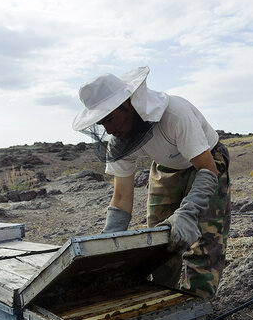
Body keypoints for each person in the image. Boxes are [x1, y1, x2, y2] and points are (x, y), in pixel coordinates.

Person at [72, 66, 230, 298]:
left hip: (207, 162)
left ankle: (196, 310)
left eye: (111, 118)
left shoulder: (175, 114)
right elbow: (122, 196)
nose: (109, 129)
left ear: (129, 104)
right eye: (102, 123)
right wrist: (106, 244)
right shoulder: (119, 139)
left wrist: (187, 212)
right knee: (160, 239)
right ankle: (162, 300)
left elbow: (207, 168)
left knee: (205, 241)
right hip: (166, 167)